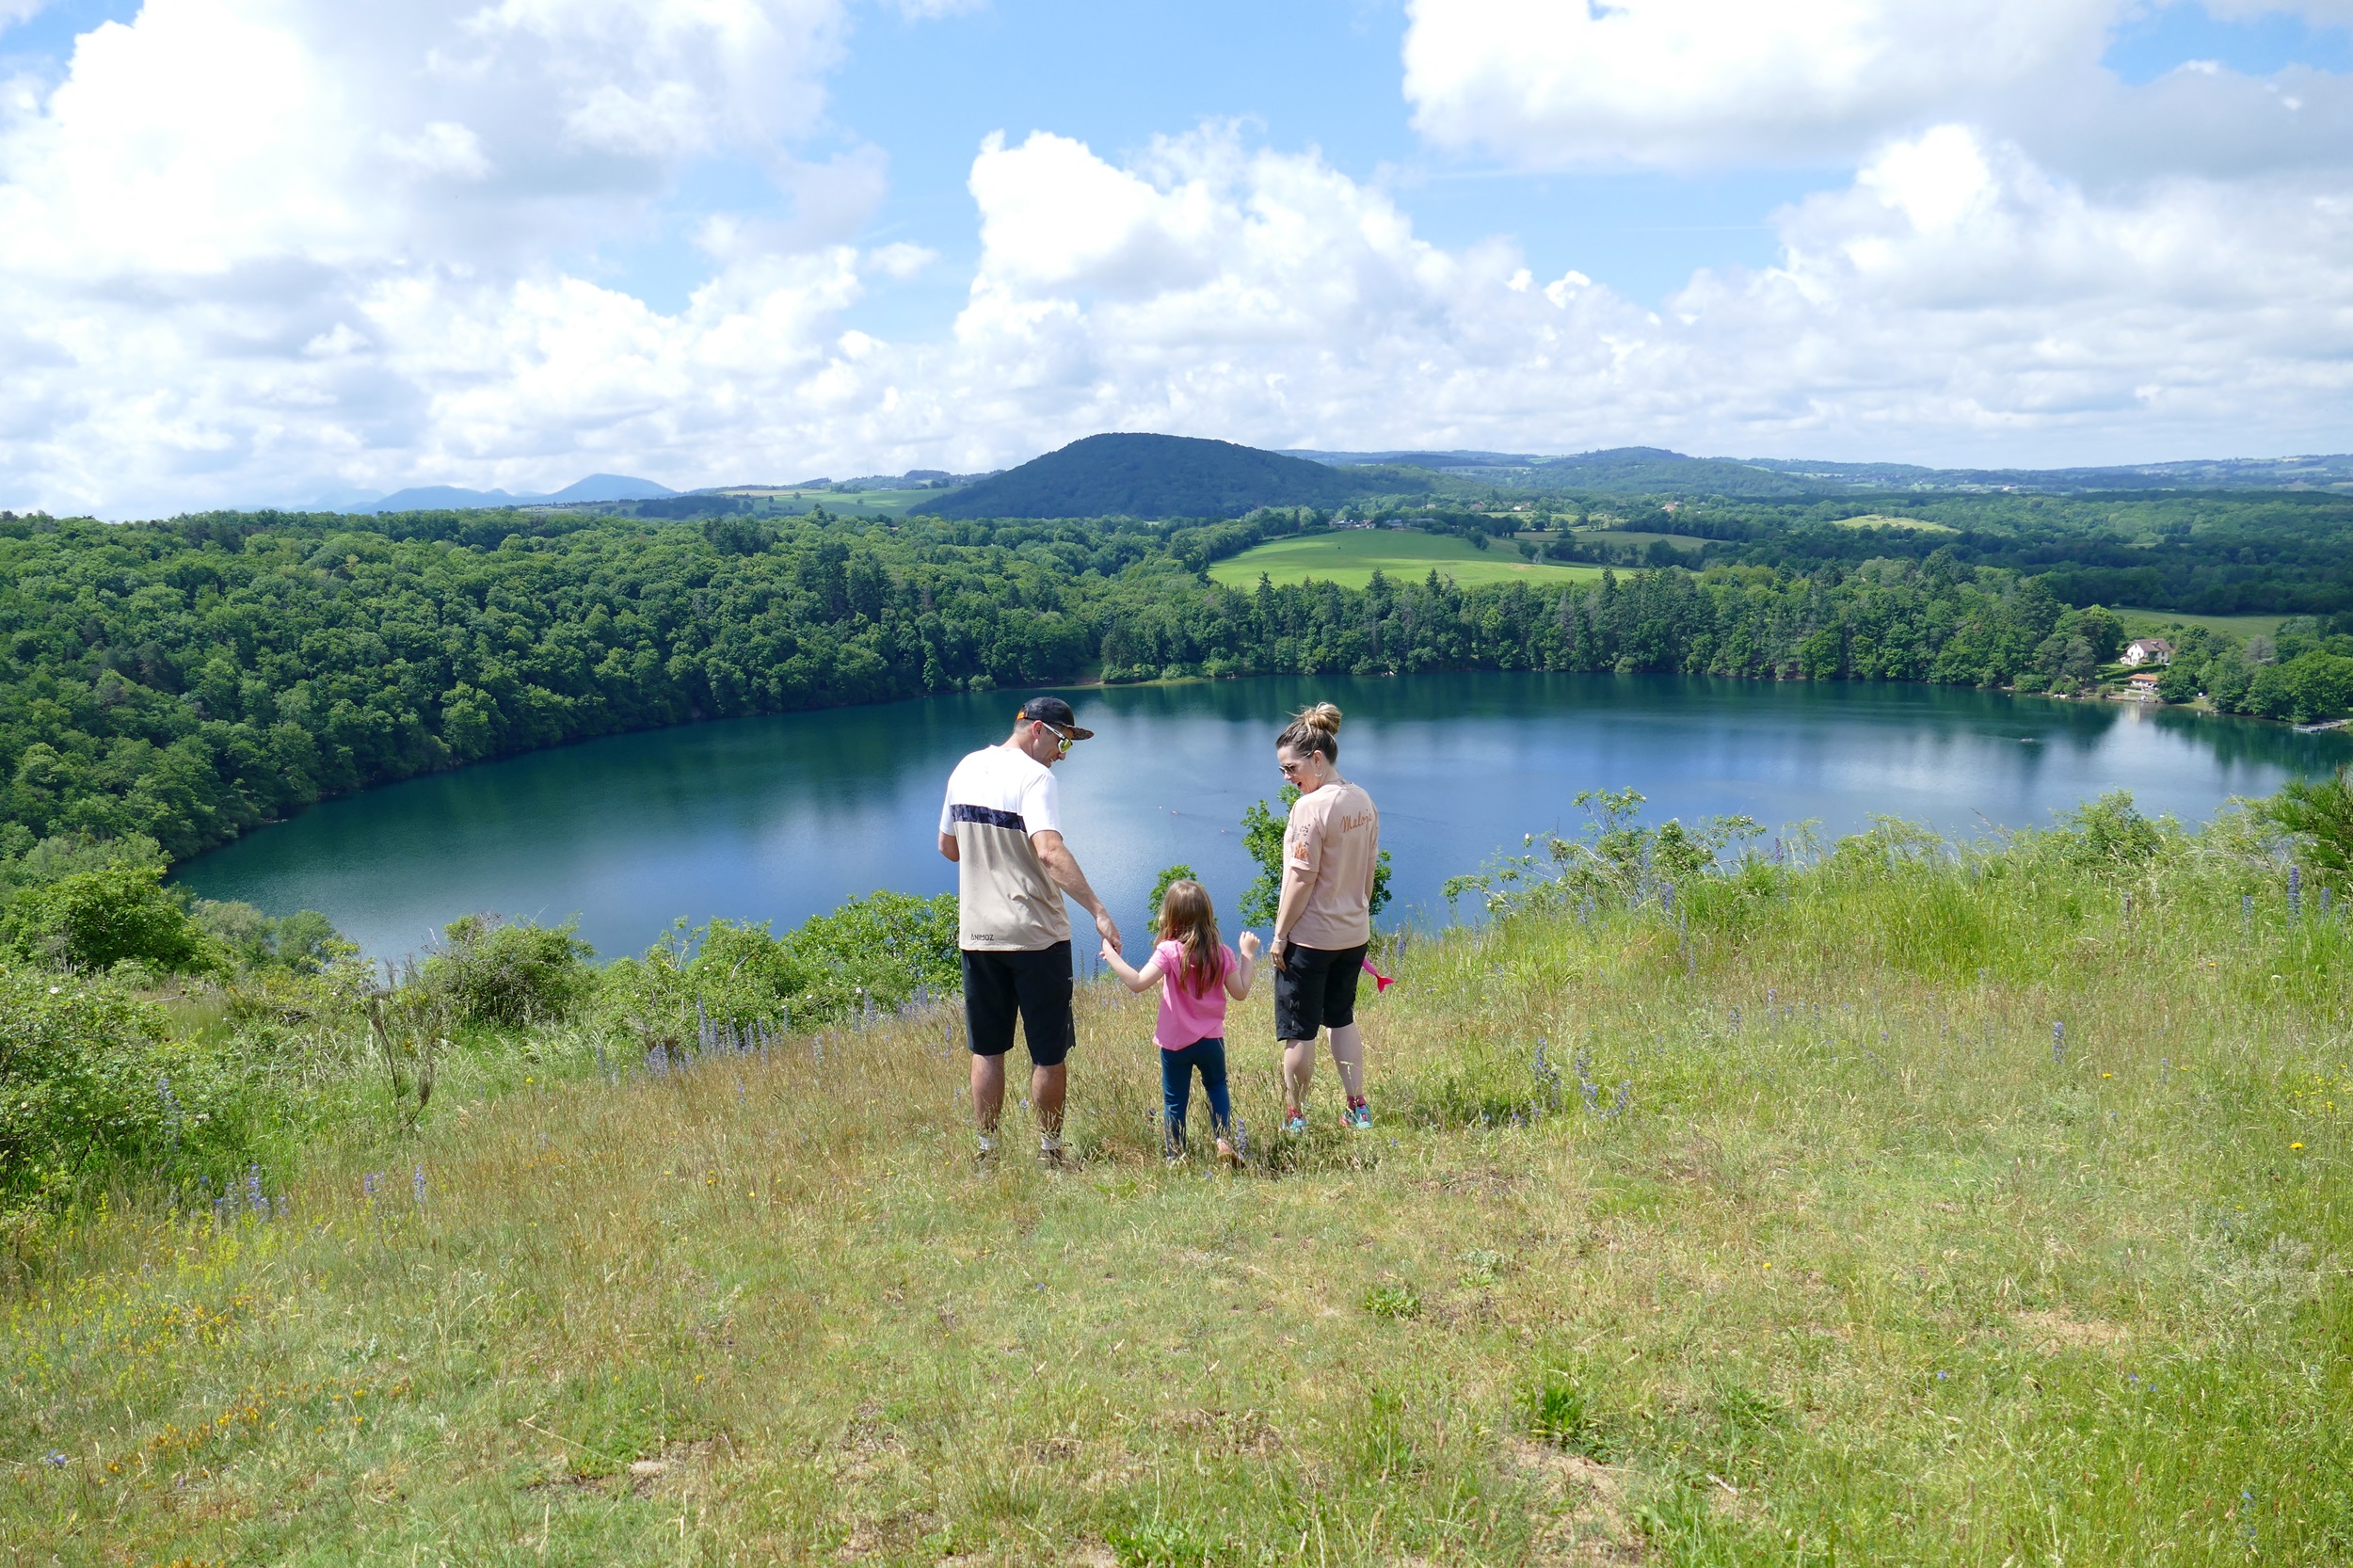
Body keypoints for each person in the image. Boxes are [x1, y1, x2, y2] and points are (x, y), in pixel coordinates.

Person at [937, 695, 1122, 1168]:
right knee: (1048, 1052)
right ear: (1036, 729)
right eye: (1062, 741)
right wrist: (1098, 909)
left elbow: (948, 848)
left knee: (988, 1049)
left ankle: (987, 1152)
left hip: (978, 935)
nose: (1063, 754)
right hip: (1037, 935)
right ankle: (1050, 1152)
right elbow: (1048, 850)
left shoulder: (964, 768)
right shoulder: (1035, 777)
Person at [1268, 702, 1381, 1133]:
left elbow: (1299, 880)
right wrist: (1357, 910)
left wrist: (1280, 937)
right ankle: (1357, 1108)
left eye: (1290, 767)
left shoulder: (1309, 808)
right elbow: (1368, 869)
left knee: (1300, 1030)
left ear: (1317, 759)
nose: (1287, 777)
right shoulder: (1362, 799)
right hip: (1353, 935)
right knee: (1342, 1017)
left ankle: (1295, 1116)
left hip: (1311, 940)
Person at [1100, 879, 1259, 1167]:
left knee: (1174, 1101)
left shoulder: (1169, 951)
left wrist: (1111, 955)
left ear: (1170, 916)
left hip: (1175, 1044)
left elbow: (1137, 983)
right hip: (1212, 1041)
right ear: (1207, 914)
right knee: (1216, 1086)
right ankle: (1223, 1140)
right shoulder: (1222, 953)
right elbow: (1241, 992)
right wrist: (1247, 954)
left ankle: (1176, 1155)